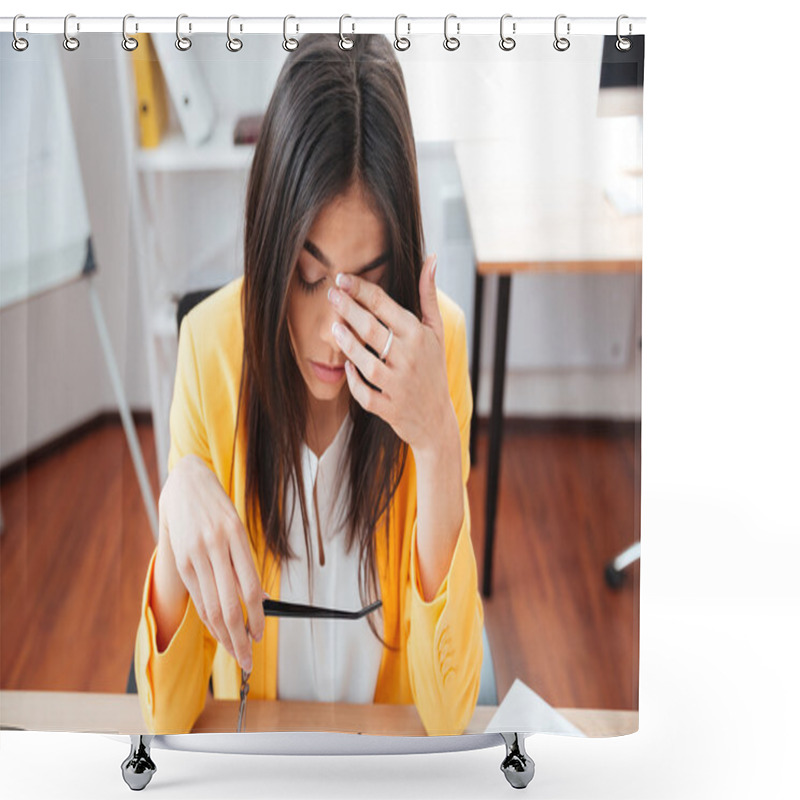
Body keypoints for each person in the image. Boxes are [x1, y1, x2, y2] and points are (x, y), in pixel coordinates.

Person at [134, 33, 483, 737]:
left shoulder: (434, 347)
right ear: (270, 247)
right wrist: (177, 504)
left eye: (369, 281)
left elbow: (448, 717)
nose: (333, 331)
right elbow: (166, 713)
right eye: (308, 275)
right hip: (263, 749)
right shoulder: (209, 348)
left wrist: (438, 444)